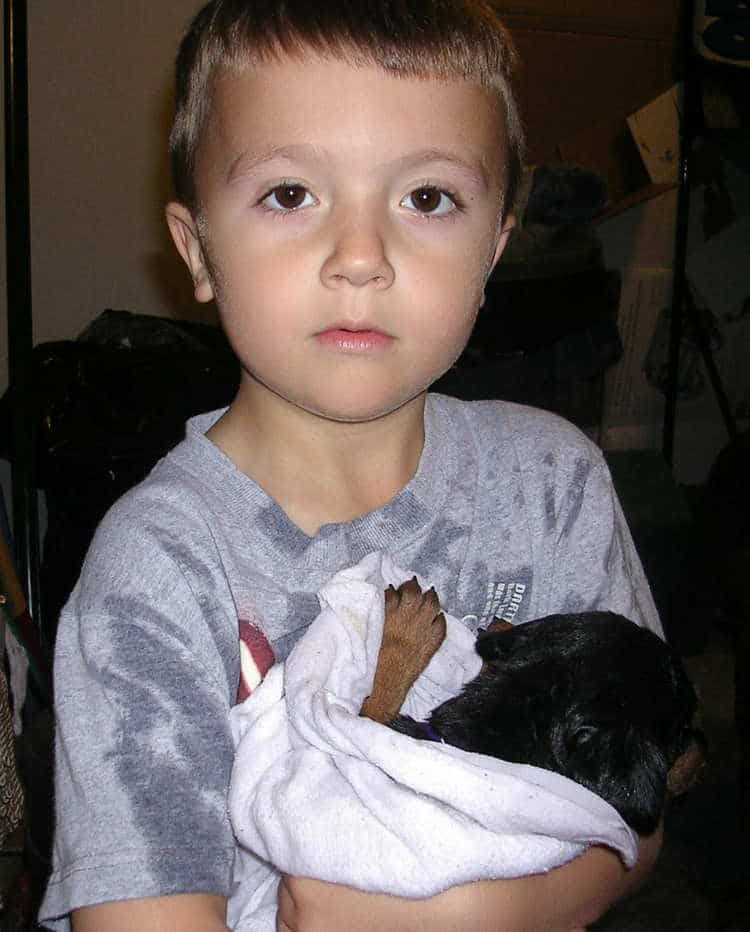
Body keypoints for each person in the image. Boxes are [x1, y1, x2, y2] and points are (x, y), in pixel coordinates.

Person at [39, 1, 664, 930]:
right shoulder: (157, 570)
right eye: (291, 194)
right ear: (196, 248)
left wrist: (483, 917)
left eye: (428, 198)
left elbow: (637, 802)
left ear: (494, 248)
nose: (361, 257)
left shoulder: (553, 481)